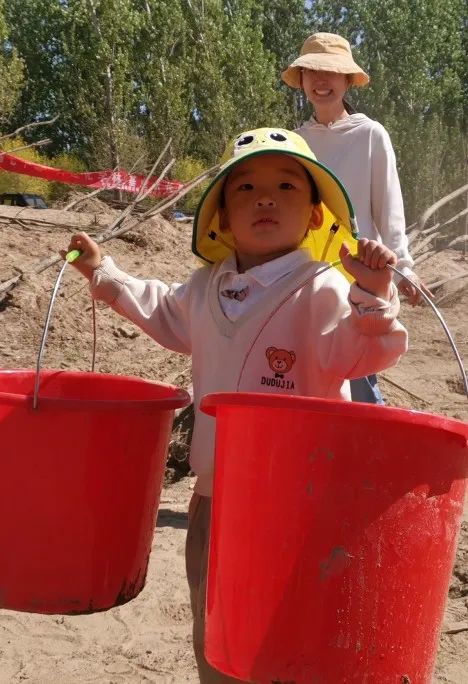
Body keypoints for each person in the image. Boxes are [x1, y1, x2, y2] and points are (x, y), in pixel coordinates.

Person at [62, 128, 407, 683]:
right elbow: (160, 307)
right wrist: (104, 272)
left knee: (290, 632)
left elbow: (361, 351)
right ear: (221, 216)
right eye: (245, 187)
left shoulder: (321, 288)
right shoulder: (206, 288)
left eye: (286, 186)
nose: (265, 198)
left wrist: (371, 295)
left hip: (296, 501)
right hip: (214, 495)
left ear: (315, 216)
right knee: (216, 629)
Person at [281, 32, 430, 403]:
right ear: (301, 80)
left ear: (348, 80)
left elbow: (388, 207)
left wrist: (403, 268)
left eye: (331, 72)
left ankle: (368, 438)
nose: (321, 80)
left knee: (359, 380)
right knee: (305, 379)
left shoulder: (370, 135)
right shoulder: (293, 142)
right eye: (312, 71)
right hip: (302, 280)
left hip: (357, 280)